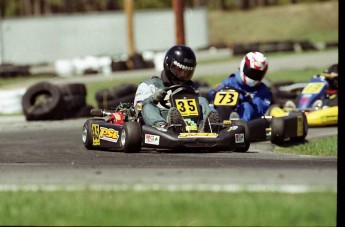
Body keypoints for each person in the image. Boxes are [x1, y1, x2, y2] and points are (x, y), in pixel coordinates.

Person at [134, 44, 220, 132]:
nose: (183, 75)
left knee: (202, 100)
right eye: (180, 70)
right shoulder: (150, 85)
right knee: (147, 107)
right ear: (168, 66)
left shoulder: (191, 87)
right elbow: (138, 108)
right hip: (163, 119)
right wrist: (153, 98)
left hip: (191, 122)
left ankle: (207, 126)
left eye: (187, 72)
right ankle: (164, 127)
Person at [208, 51, 272, 121]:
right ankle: (210, 123)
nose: (254, 75)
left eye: (257, 74)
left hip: (247, 124)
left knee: (246, 106)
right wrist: (215, 91)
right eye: (251, 71)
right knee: (210, 105)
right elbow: (211, 94)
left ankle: (236, 123)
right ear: (243, 66)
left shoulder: (263, 91)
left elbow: (260, 111)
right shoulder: (231, 81)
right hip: (224, 113)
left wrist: (248, 100)